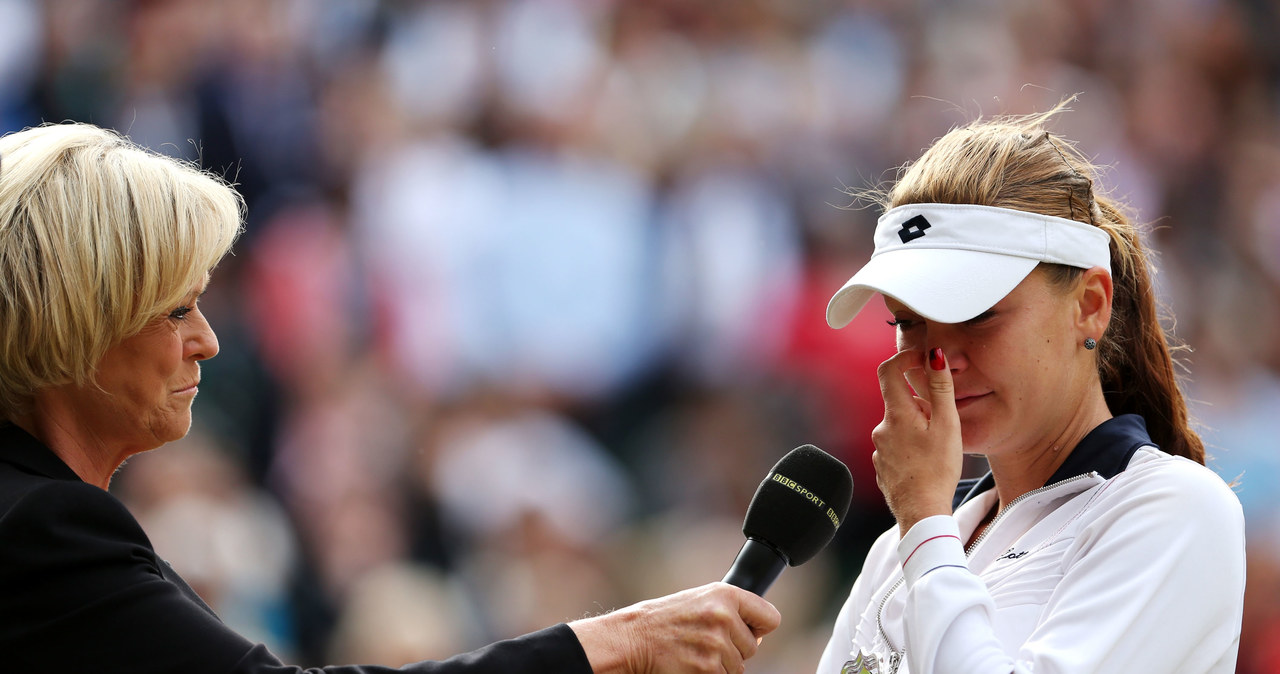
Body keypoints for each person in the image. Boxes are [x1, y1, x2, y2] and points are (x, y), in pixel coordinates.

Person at [0, 122, 780, 674]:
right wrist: (616, 643)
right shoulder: (43, 528)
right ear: (78, 324)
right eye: (177, 310)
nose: (206, 340)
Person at [816, 107, 1246, 674]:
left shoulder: (1177, 508)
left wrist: (922, 523)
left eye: (978, 315)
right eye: (908, 323)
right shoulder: (900, 551)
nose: (940, 362)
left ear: (1090, 305)